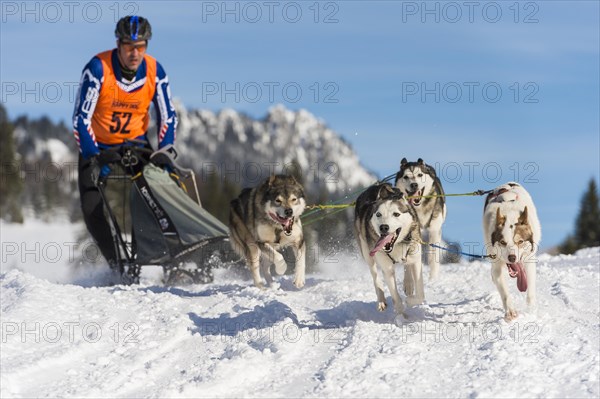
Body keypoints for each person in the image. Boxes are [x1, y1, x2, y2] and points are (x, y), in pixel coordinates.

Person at [72, 16, 178, 268]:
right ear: (118, 44)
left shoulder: (155, 71)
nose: (135, 53)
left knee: (158, 193)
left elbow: (168, 116)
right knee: (91, 207)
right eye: (129, 46)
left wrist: (164, 152)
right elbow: (80, 119)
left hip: (137, 144)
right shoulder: (98, 68)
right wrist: (92, 155)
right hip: (99, 146)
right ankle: (117, 265)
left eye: (141, 46)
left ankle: (163, 262)